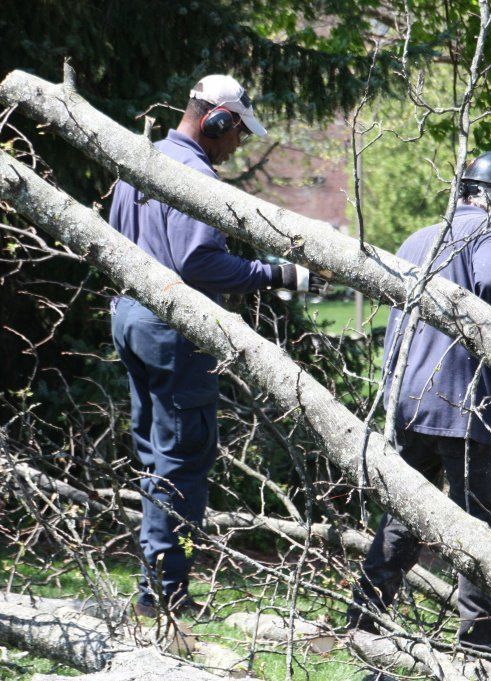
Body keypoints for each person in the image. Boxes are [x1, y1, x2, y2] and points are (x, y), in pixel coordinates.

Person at [109, 74, 322, 618]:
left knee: (155, 455)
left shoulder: (141, 160)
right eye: (237, 132)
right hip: (172, 329)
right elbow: (199, 262)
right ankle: (165, 596)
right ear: (216, 121)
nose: (237, 145)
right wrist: (277, 274)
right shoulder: (194, 175)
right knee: (183, 456)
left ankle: (154, 585)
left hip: (131, 318)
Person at [346, 152, 491, 652]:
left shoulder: (418, 237)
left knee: (404, 518)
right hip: (467, 405)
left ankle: (362, 619)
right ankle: (480, 643)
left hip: (410, 401)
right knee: (479, 529)